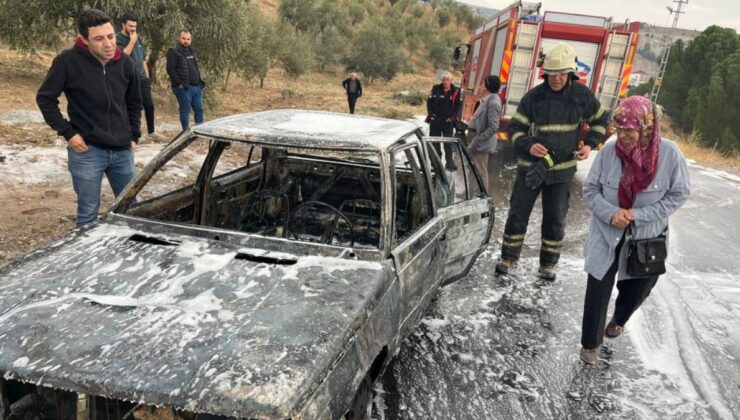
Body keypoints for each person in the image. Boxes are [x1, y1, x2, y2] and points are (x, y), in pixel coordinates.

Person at [579, 96, 690, 365]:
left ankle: (619, 319)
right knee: (598, 288)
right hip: (607, 233)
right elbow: (591, 190)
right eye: (619, 129)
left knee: (639, 288)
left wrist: (637, 215)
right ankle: (590, 345)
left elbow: (679, 194)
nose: (624, 135)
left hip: (646, 237)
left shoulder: (670, 154)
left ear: (647, 127)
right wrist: (611, 212)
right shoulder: (608, 152)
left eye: (631, 129)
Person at [495, 43, 608, 281]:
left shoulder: (581, 96)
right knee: (518, 214)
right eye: (551, 74)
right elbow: (515, 128)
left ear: (570, 74)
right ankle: (508, 257)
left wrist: (590, 145)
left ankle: (548, 265)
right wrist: (528, 144)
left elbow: (601, 121)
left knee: (555, 219)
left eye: (561, 74)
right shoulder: (534, 97)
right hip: (531, 169)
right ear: (544, 73)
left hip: (562, 171)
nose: (555, 79)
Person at [36, 9, 142, 228]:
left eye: (111, 36)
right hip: (87, 151)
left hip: (122, 151)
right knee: (87, 216)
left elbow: (134, 102)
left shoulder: (126, 63)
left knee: (133, 212)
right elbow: (45, 99)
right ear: (84, 39)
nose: (108, 44)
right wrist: (68, 133)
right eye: (99, 39)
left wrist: (134, 136)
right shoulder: (67, 62)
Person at [116, 13, 160, 140]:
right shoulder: (118, 39)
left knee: (149, 106)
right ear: (123, 24)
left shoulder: (139, 39)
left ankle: (151, 132)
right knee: (133, 108)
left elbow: (142, 60)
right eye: (130, 26)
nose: (133, 28)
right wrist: (132, 41)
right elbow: (122, 56)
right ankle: (133, 134)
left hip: (142, 79)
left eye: (135, 26)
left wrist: (146, 76)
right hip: (127, 80)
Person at [466, 75, 501, 189]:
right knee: (473, 167)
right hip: (476, 139)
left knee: (480, 170)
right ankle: (471, 192)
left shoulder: (493, 102)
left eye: (482, 84)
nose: (480, 86)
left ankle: (482, 196)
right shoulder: (487, 100)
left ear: (487, 87)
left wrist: (478, 140)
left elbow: (493, 127)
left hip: (481, 143)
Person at [166, 29, 205, 130]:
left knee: (199, 109)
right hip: (184, 88)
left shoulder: (192, 50)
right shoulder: (173, 51)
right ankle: (185, 133)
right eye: (183, 38)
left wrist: (200, 83)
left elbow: (195, 67)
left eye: (188, 39)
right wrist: (179, 84)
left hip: (197, 87)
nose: (186, 41)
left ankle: (199, 131)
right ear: (179, 38)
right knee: (185, 111)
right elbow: (170, 69)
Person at [426, 72, 462, 170]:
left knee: (448, 144)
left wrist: (452, 118)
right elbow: (429, 102)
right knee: (435, 144)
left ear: (451, 80)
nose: (446, 82)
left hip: (448, 122)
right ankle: (436, 164)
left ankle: (449, 164)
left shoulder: (456, 91)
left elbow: (458, 106)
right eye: (444, 79)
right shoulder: (435, 88)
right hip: (435, 121)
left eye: (448, 79)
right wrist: (431, 115)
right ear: (441, 80)